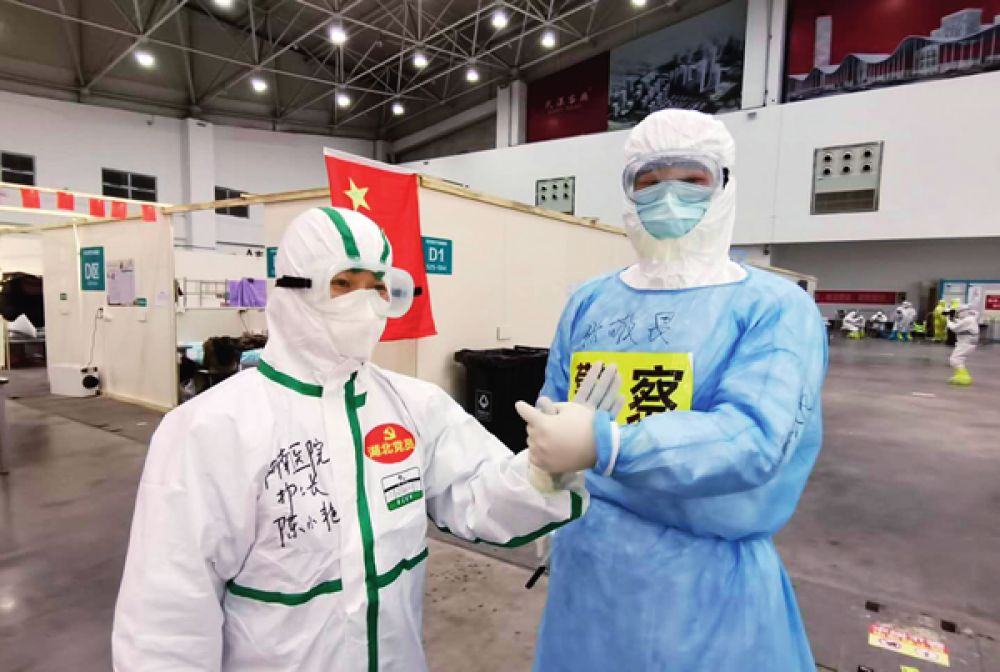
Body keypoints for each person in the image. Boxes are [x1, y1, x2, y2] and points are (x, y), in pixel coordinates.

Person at [112, 207, 594, 672]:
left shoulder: (414, 406)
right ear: (294, 289)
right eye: (342, 283)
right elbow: (168, 617)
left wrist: (543, 471)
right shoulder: (209, 428)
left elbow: (477, 493)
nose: (364, 304)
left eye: (377, 286)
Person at [516, 109, 828, 671]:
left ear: (725, 184)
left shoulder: (773, 309)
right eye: (649, 180)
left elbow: (754, 439)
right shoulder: (591, 301)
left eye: (691, 178)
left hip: (703, 584)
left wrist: (609, 445)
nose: (668, 195)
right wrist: (547, 480)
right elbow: (553, 408)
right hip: (588, 569)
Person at [947, 304, 979, 385]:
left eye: (958, 312)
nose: (958, 314)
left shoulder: (968, 320)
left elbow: (955, 328)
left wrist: (948, 321)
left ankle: (964, 377)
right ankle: (959, 376)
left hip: (966, 343)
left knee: (955, 359)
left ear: (963, 312)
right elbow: (961, 323)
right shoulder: (970, 319)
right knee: (959, 359)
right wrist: (953, 320)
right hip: (966, 343)